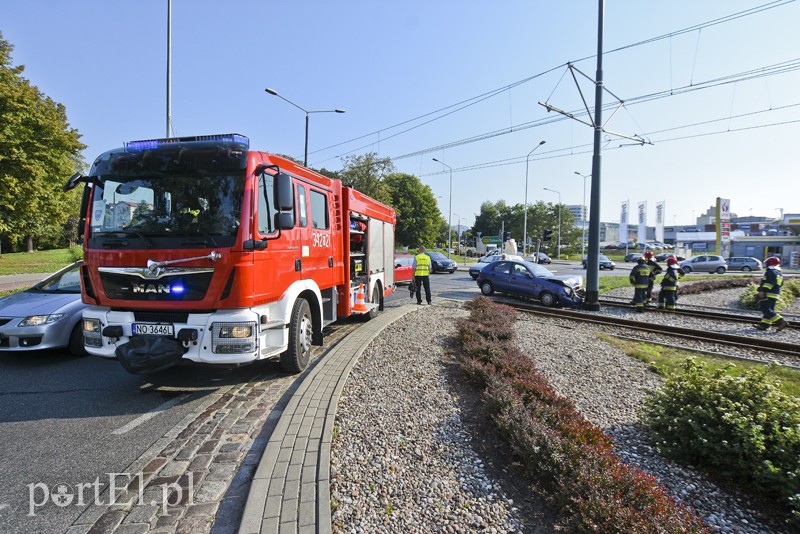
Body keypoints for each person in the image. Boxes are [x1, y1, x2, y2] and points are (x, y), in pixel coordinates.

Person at [755, 256, 787, 331]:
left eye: (767, 264)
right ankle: (764, 325)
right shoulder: (779, 273)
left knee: (765, 309)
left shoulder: (770, 272)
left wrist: (763, 290)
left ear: (769, 264)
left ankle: (781, 322)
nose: (766, 265)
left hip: (768, 294)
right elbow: (780, 284)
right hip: (775, 294)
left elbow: (769, 283)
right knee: (769, 310)